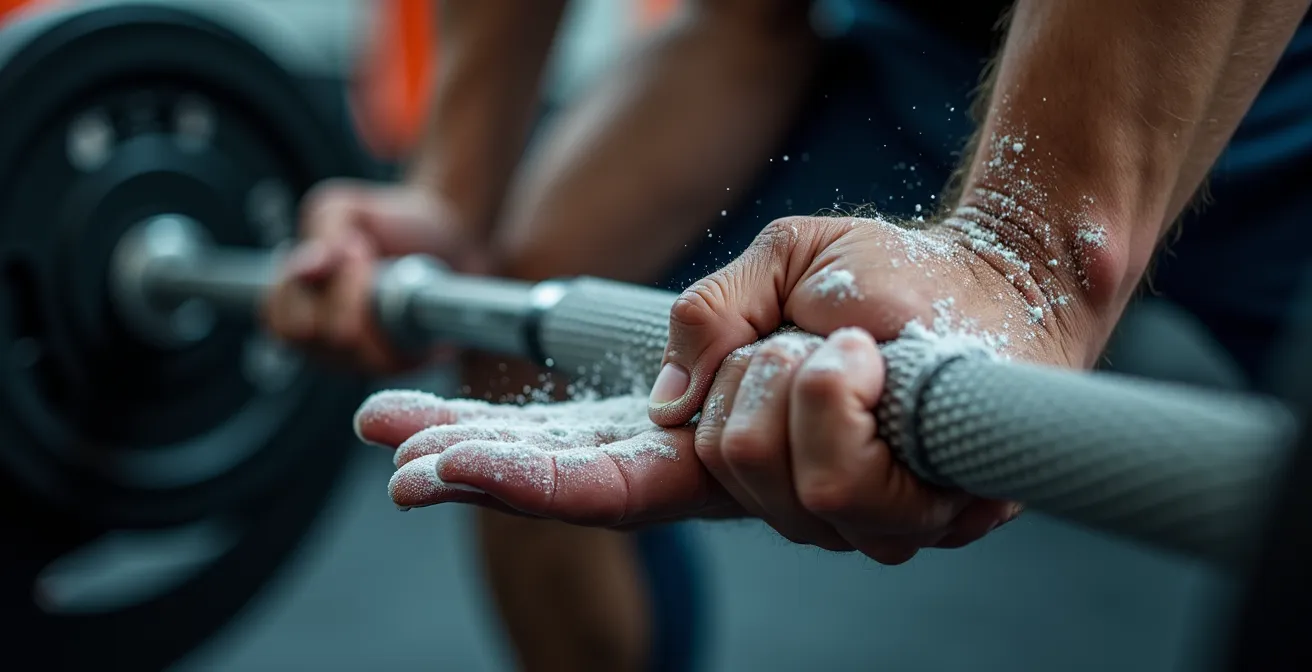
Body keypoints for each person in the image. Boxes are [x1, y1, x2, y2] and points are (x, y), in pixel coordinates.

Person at [268, 0, 1312, 669]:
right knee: (528, 346)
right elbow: (740, 21)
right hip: (919, 52)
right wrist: (455, 196)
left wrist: (1025, 258)